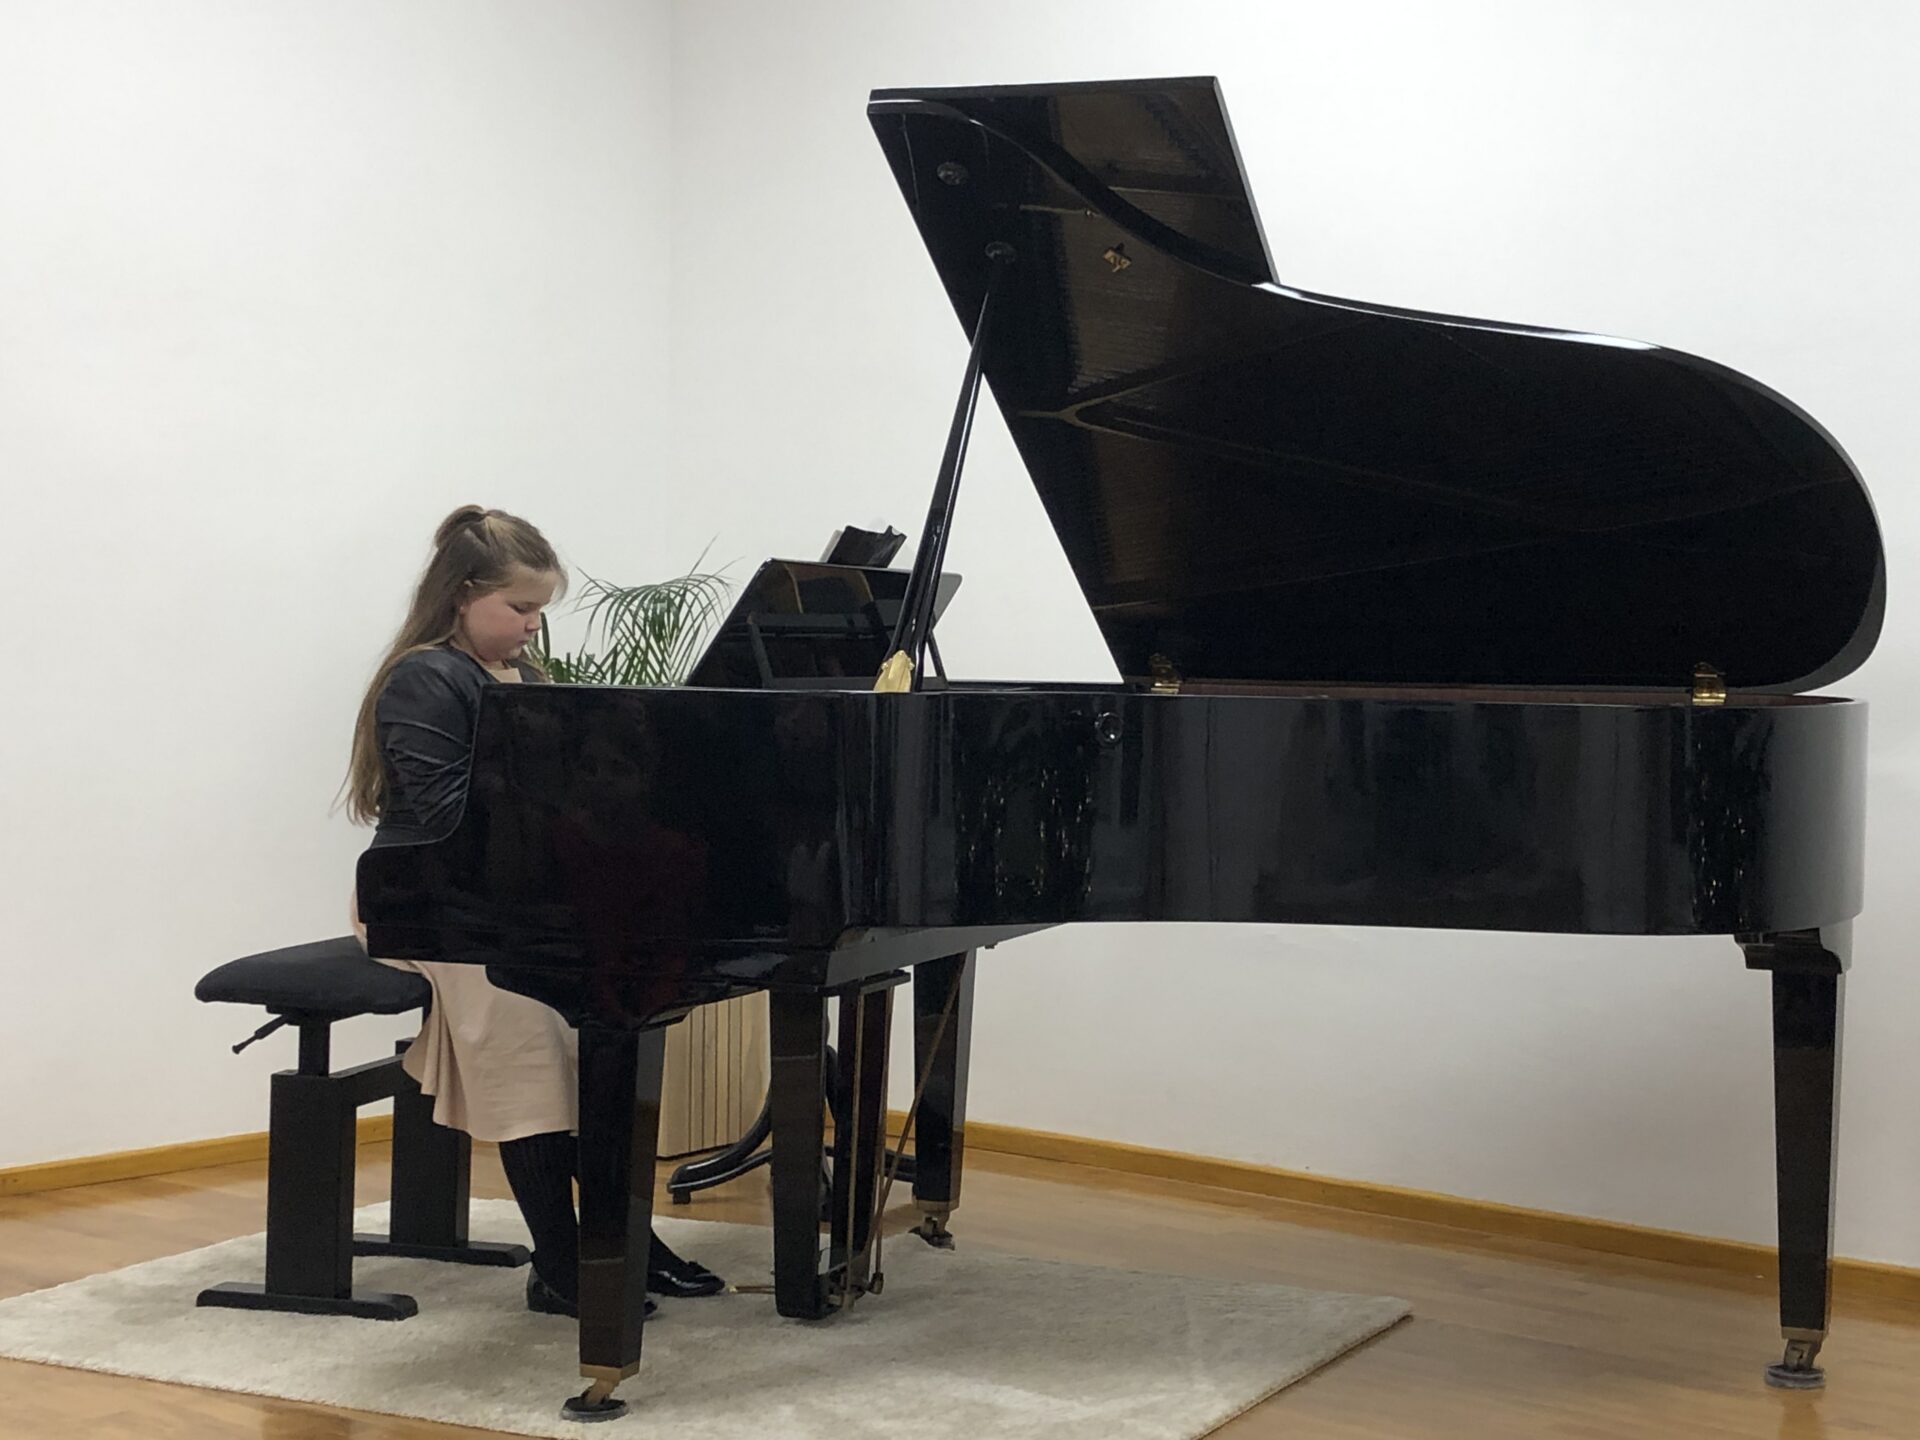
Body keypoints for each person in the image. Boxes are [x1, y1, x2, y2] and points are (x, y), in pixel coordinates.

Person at [344, 504, 723, 1318]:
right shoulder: (425, 679)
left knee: (603, 1027)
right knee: (532, 1028)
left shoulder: (528, 681)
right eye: (519, 608)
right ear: (461, 595)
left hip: (518, 900)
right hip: (425, 900)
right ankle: (560, 1260)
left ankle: (621, 1240)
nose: (532, 627)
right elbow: (445, 820)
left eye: (540, 611)